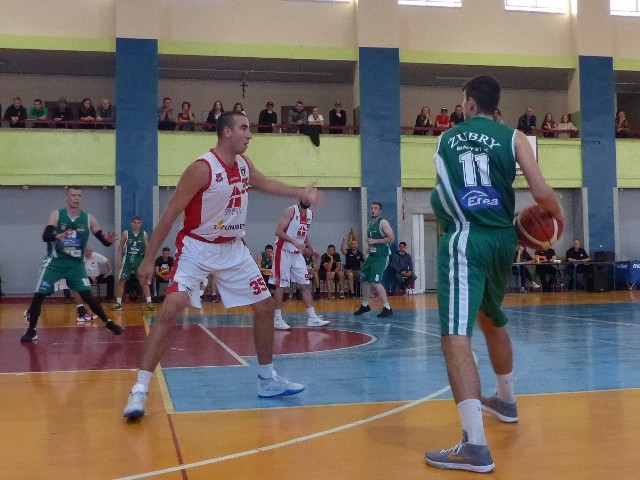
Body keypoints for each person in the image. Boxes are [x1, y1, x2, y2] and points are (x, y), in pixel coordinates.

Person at [123, 111, 319, 418]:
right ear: (226, 132)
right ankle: (140, 388)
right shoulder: (202, 169)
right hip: (197, 247)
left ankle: (267, 380)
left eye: (249, 128)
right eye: (243, 128)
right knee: (172, 308)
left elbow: (265, 183)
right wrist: (149, 258)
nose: (249, 134)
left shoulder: (243, 165)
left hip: (233, 249)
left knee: (266, 308)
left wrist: (299, 192)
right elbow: (170, 215)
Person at [424, 75, 564, 473]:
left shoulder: (446, 138)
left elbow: (447, 184)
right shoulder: (516, 137)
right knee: (490, 316)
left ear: (468, 104)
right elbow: (539, 192)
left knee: (455, 337)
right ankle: (505, 400)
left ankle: (474, 445)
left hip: (465, 239)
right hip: (504, 240)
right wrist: (557, 213)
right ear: (496, 107)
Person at [20, 187, 122, 342]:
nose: (76, 198)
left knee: (88, 295)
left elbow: (102, 238)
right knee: (39, 295)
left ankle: (108, 322)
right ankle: (32, 330)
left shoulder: (89, 218)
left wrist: (107, 241)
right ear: (67, 197)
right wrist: (57, 235)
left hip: (76, 264)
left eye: (79, 195)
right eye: (73, 195)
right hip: (56, 262)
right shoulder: (56, 215)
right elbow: (45, 236)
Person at [269, 201, 329, 330]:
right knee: (281, 285)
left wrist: (312, 249)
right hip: (283, 250)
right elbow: (278, 231)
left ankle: (312, 318)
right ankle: (277, 318)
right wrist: (294, 242)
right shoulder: (291, 210)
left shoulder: (310, 214)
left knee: (305, 284)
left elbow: (304, 233)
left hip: (296, 254)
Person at [353, 202, 395, 317]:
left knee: (376, 281)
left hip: (381, 256)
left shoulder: (383, 223)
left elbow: (391, 238)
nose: (373, 210)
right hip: (372, 255)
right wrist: (366, 252)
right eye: (371, 208)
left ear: (380, 211)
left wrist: (375, 241)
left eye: (375, 208)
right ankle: (365, 305)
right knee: (364, 279)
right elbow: (371, 242)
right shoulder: (370, 223)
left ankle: (387, 307)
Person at [112, 216, 154, 311]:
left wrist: (147, 261)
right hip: (127, 258)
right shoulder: (125, 233)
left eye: (138, 223)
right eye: (134, 222)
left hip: (139, 259)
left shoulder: (144, 234)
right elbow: (120, 247)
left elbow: (148, 248)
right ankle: (118, 303)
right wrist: (119, 259)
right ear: (131, 223)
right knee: (121, 281)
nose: (136, 224)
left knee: (143, 281)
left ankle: (149, 302)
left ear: (141, 224)